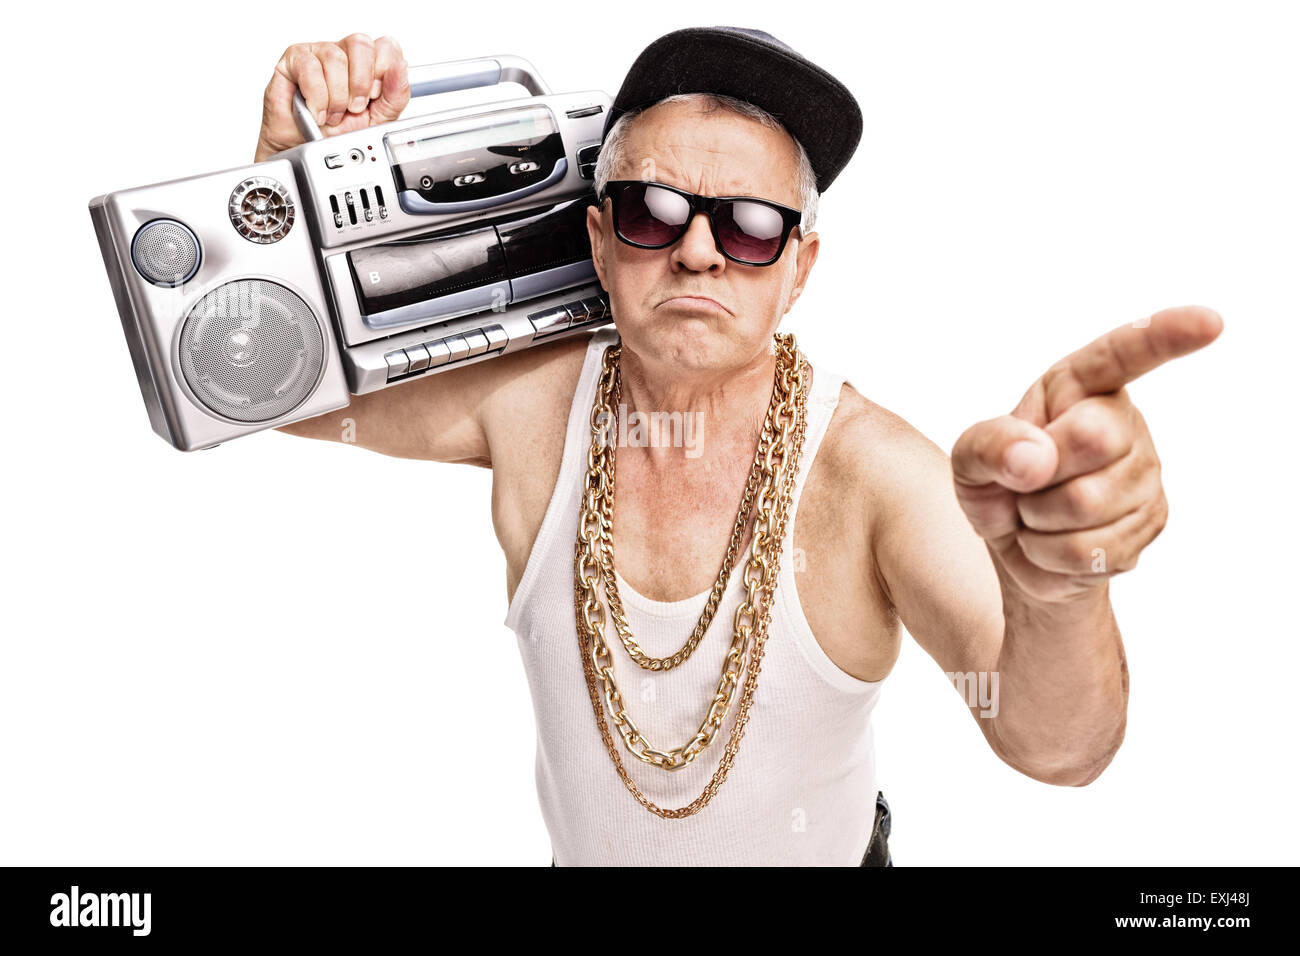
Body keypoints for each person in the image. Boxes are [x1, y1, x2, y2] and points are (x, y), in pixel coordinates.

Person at [254, 27, 1223, 866]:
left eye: (752, 226)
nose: (700, 251)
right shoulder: (528, 408)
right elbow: (278, 392)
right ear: (598, 241)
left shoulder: (867, 470)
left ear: (798, 267)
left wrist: (1060, 588)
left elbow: (1061, 747)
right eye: (652, 211)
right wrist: (282, 193)